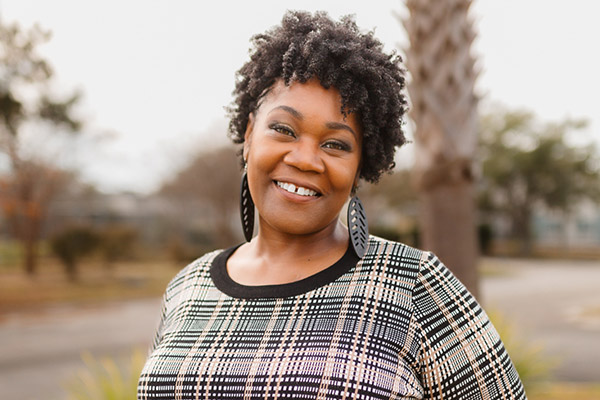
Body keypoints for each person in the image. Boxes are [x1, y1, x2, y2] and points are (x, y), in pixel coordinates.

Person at [138, 11, 526, 400]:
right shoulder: (188, 286)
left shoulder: (417, 286)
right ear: (250, 132)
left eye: (336, 144)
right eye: (284, 130)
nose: (306, 159)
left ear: (360, 166)